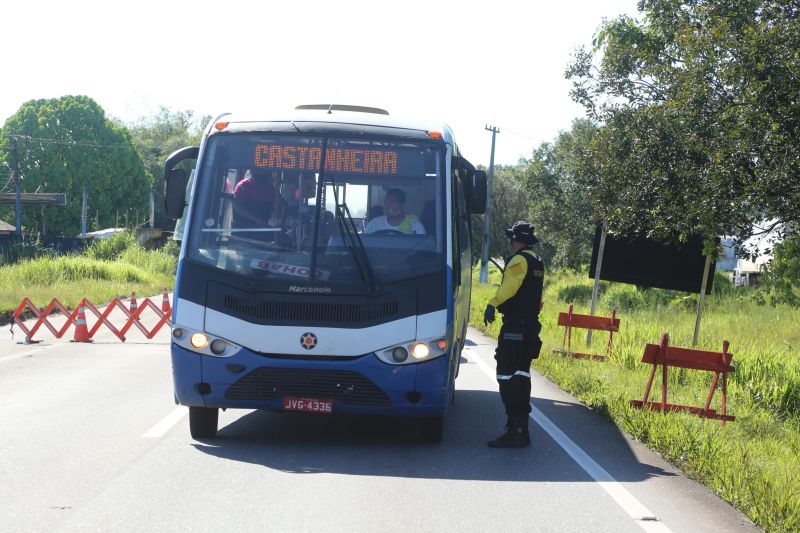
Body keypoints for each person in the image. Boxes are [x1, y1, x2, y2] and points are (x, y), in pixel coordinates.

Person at [483, 221, 544, 448]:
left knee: (507, 376)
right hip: (529, 328)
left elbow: (510, 287)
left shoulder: (519, 260)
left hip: (515, 329)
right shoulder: (538, 261)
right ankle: (521, 430)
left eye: (512, 239)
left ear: (515, 240)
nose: (510, 242)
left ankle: (516, 431)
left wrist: (492, 303)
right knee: (522, 375)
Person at [233, 169, 276, 235]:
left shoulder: (270, 188)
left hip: (264, 232)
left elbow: (277, 205)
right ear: (252, 171)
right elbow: (237, 207)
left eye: (265, 171)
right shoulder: (243, 185)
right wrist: (256, 220)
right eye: (259, 170)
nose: (262, 173)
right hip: (243, 231)